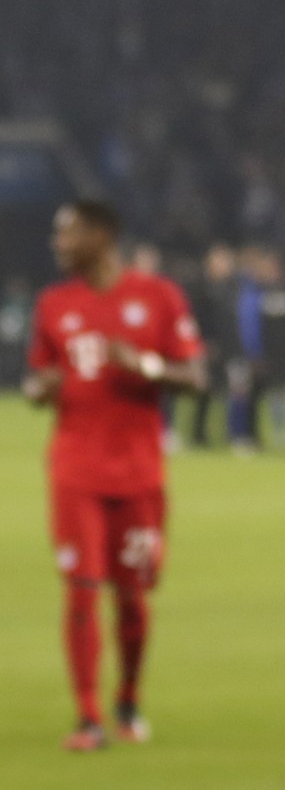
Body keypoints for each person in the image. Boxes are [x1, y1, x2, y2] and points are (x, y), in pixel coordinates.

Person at [23, 199, 207, 751]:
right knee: (80, 591)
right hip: (75, 471)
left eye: (68, 233)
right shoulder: (53, 304)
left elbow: (195, 376)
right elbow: (37, 377)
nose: (58, 244)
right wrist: (41, 388)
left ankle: (127, 700)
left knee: (131, 596)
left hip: (137, 475)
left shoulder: (157, 296)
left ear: (101, 235)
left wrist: (145, 366)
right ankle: (88, 719)